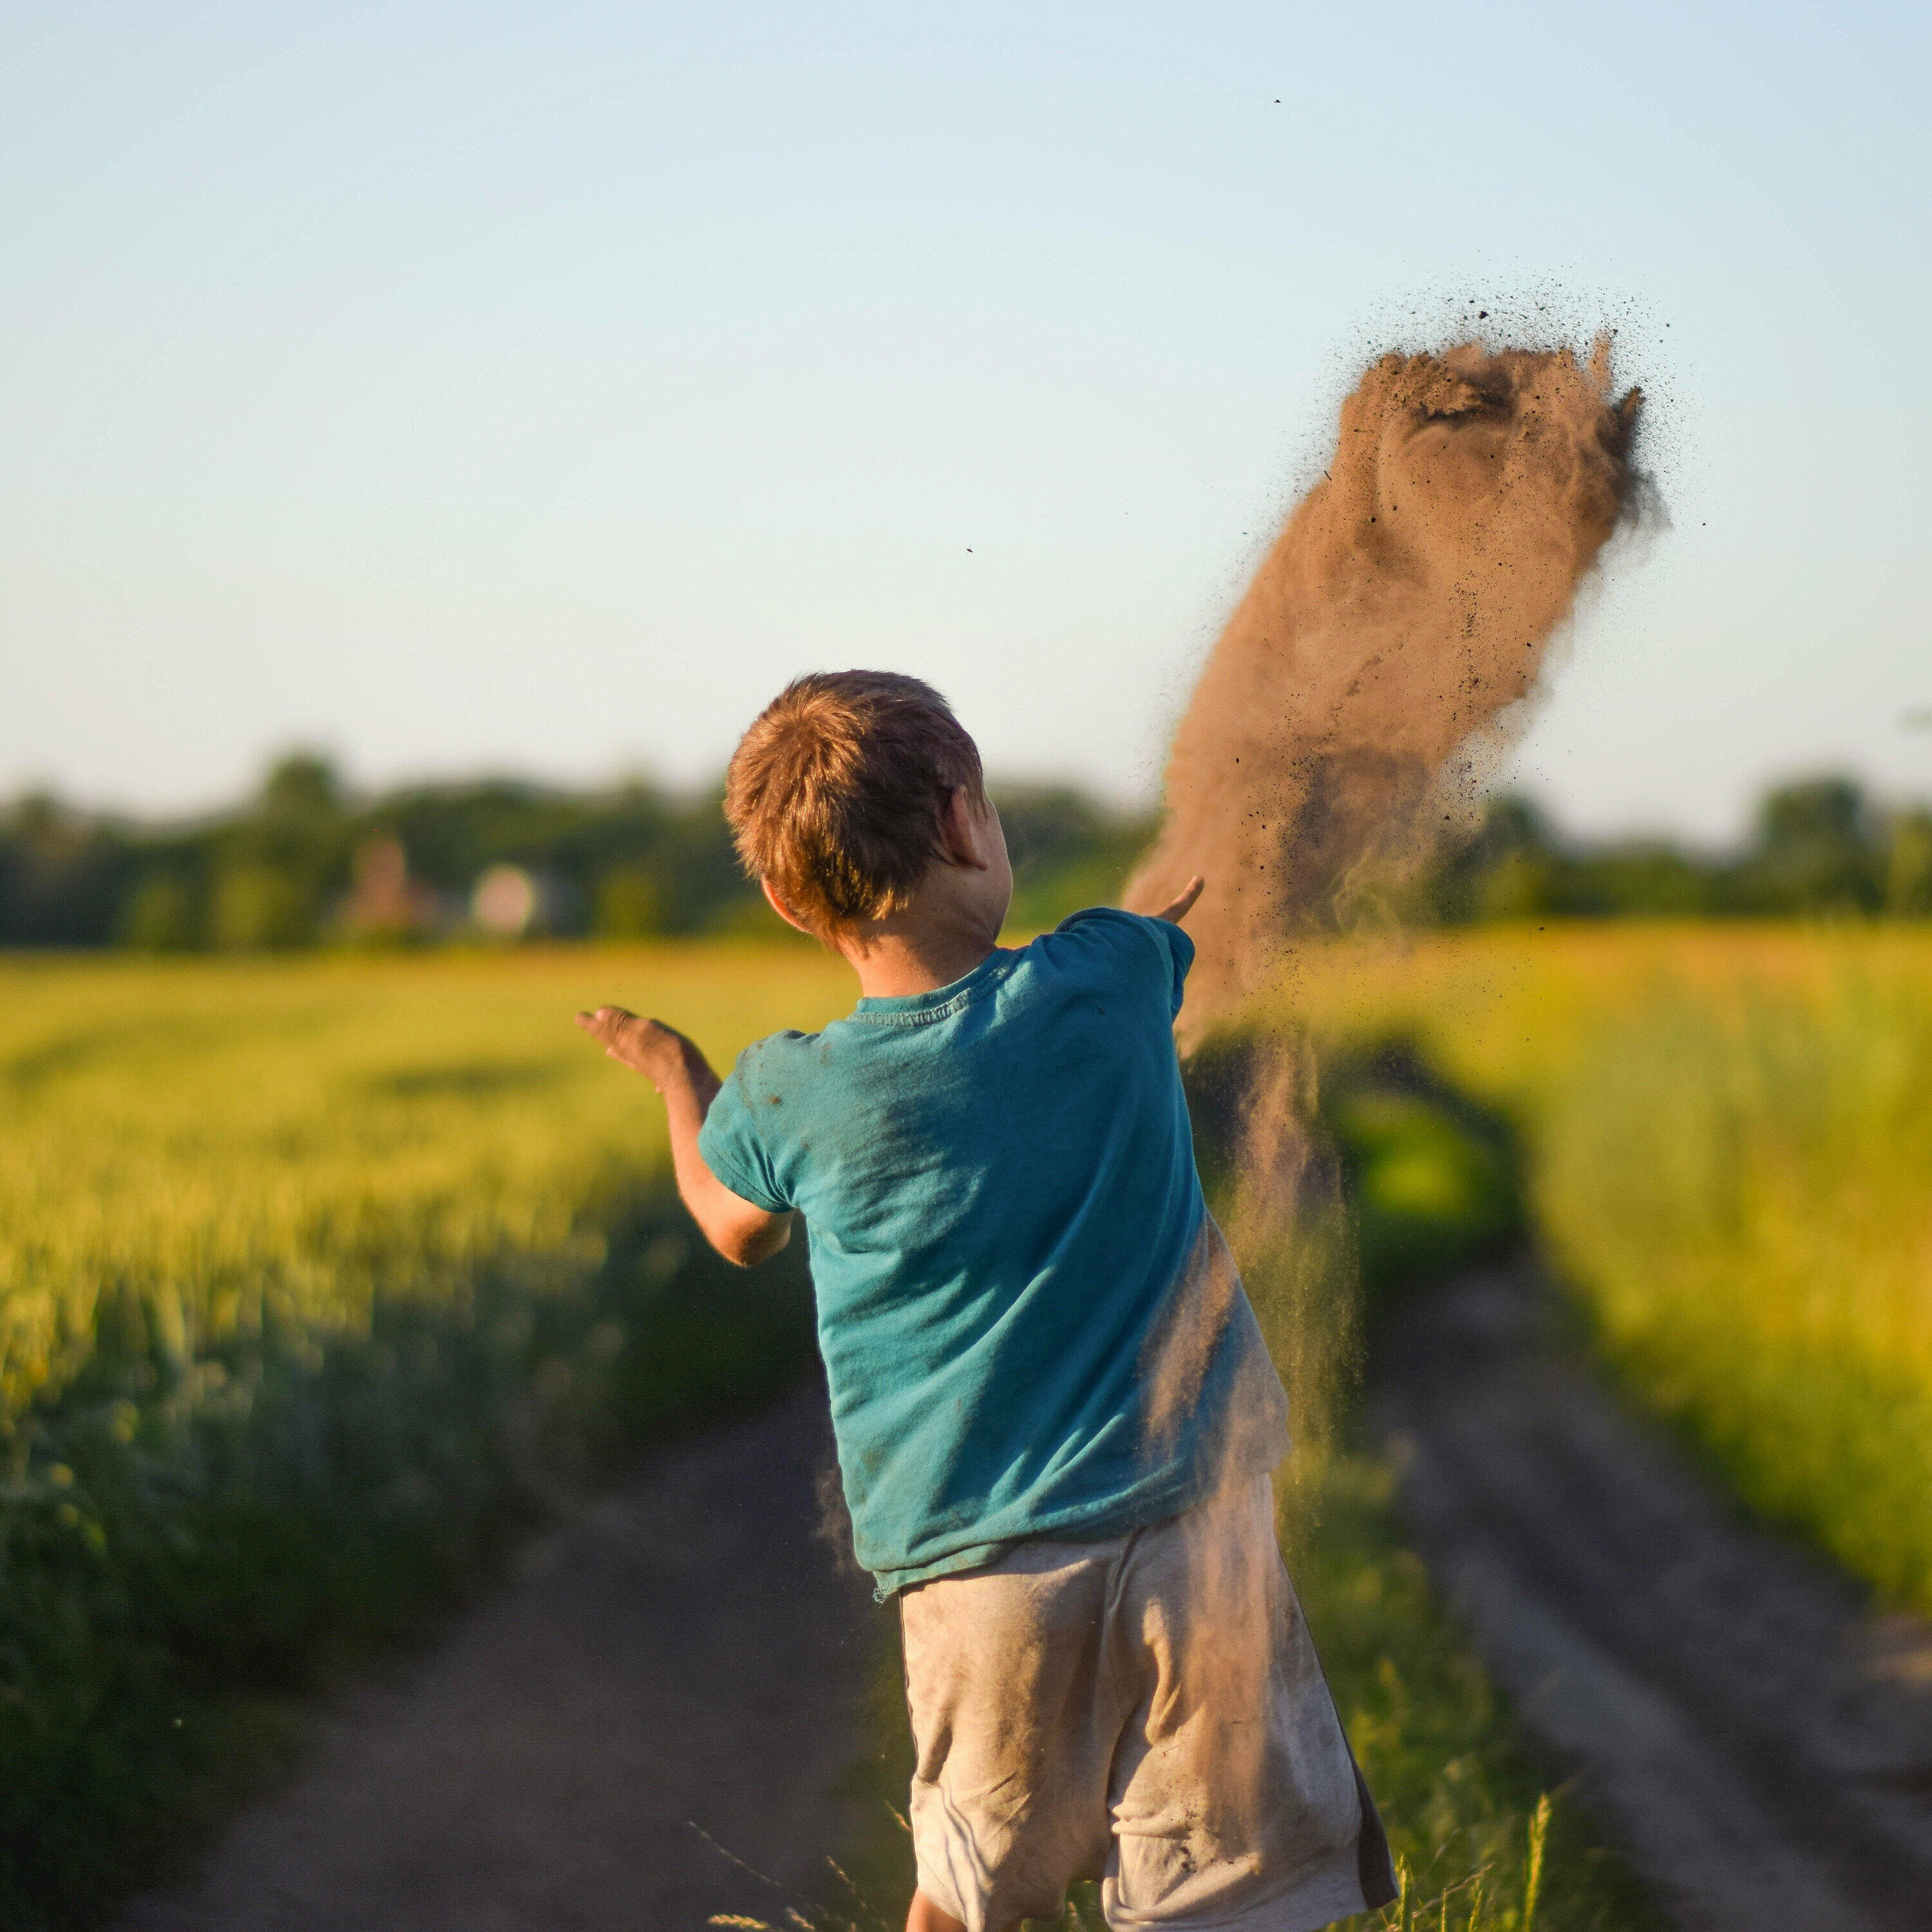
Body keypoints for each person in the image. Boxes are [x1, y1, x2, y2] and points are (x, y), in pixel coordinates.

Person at [576, 671, 1397, 1932]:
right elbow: (1172, 923)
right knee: (1231, 1900)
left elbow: (730, 1226)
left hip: (981, 1571)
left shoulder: (787, 1096)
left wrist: (681, 1080)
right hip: (1200, 1530)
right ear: (963, 820)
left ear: (790, 901)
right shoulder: (1109, 971)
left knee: (968, 1896)